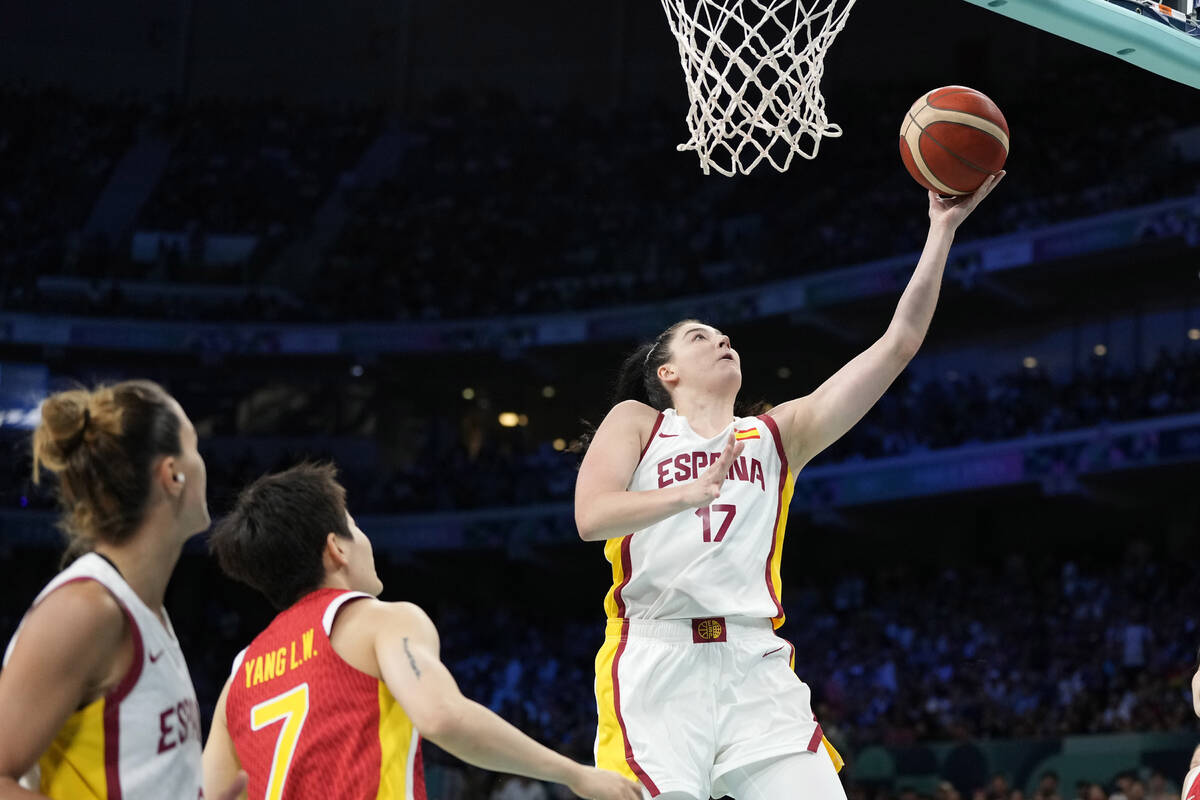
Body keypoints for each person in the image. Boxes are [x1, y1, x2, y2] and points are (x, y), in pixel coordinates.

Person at [574, 174, 1005, 800]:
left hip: (755, 663)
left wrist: (942, 231)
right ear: (665, 372)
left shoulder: (780, 434)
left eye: (724, 335)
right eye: (700, 337)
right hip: (655, 658)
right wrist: (687, 492)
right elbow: (592, 517)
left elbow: (899, 344)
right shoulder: (640, 422)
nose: (722, 339)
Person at [203, 463, 641, 800]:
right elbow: (441, 716)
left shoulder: (238, 676)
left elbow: (213, 791)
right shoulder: (380, 620)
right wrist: (576, 773)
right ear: (336, 549)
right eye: (354, 527)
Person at [0, 381, 246, 800]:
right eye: (195, 445)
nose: (206, 462)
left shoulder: (147, 612)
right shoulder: (85, 609)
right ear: (172, 474)